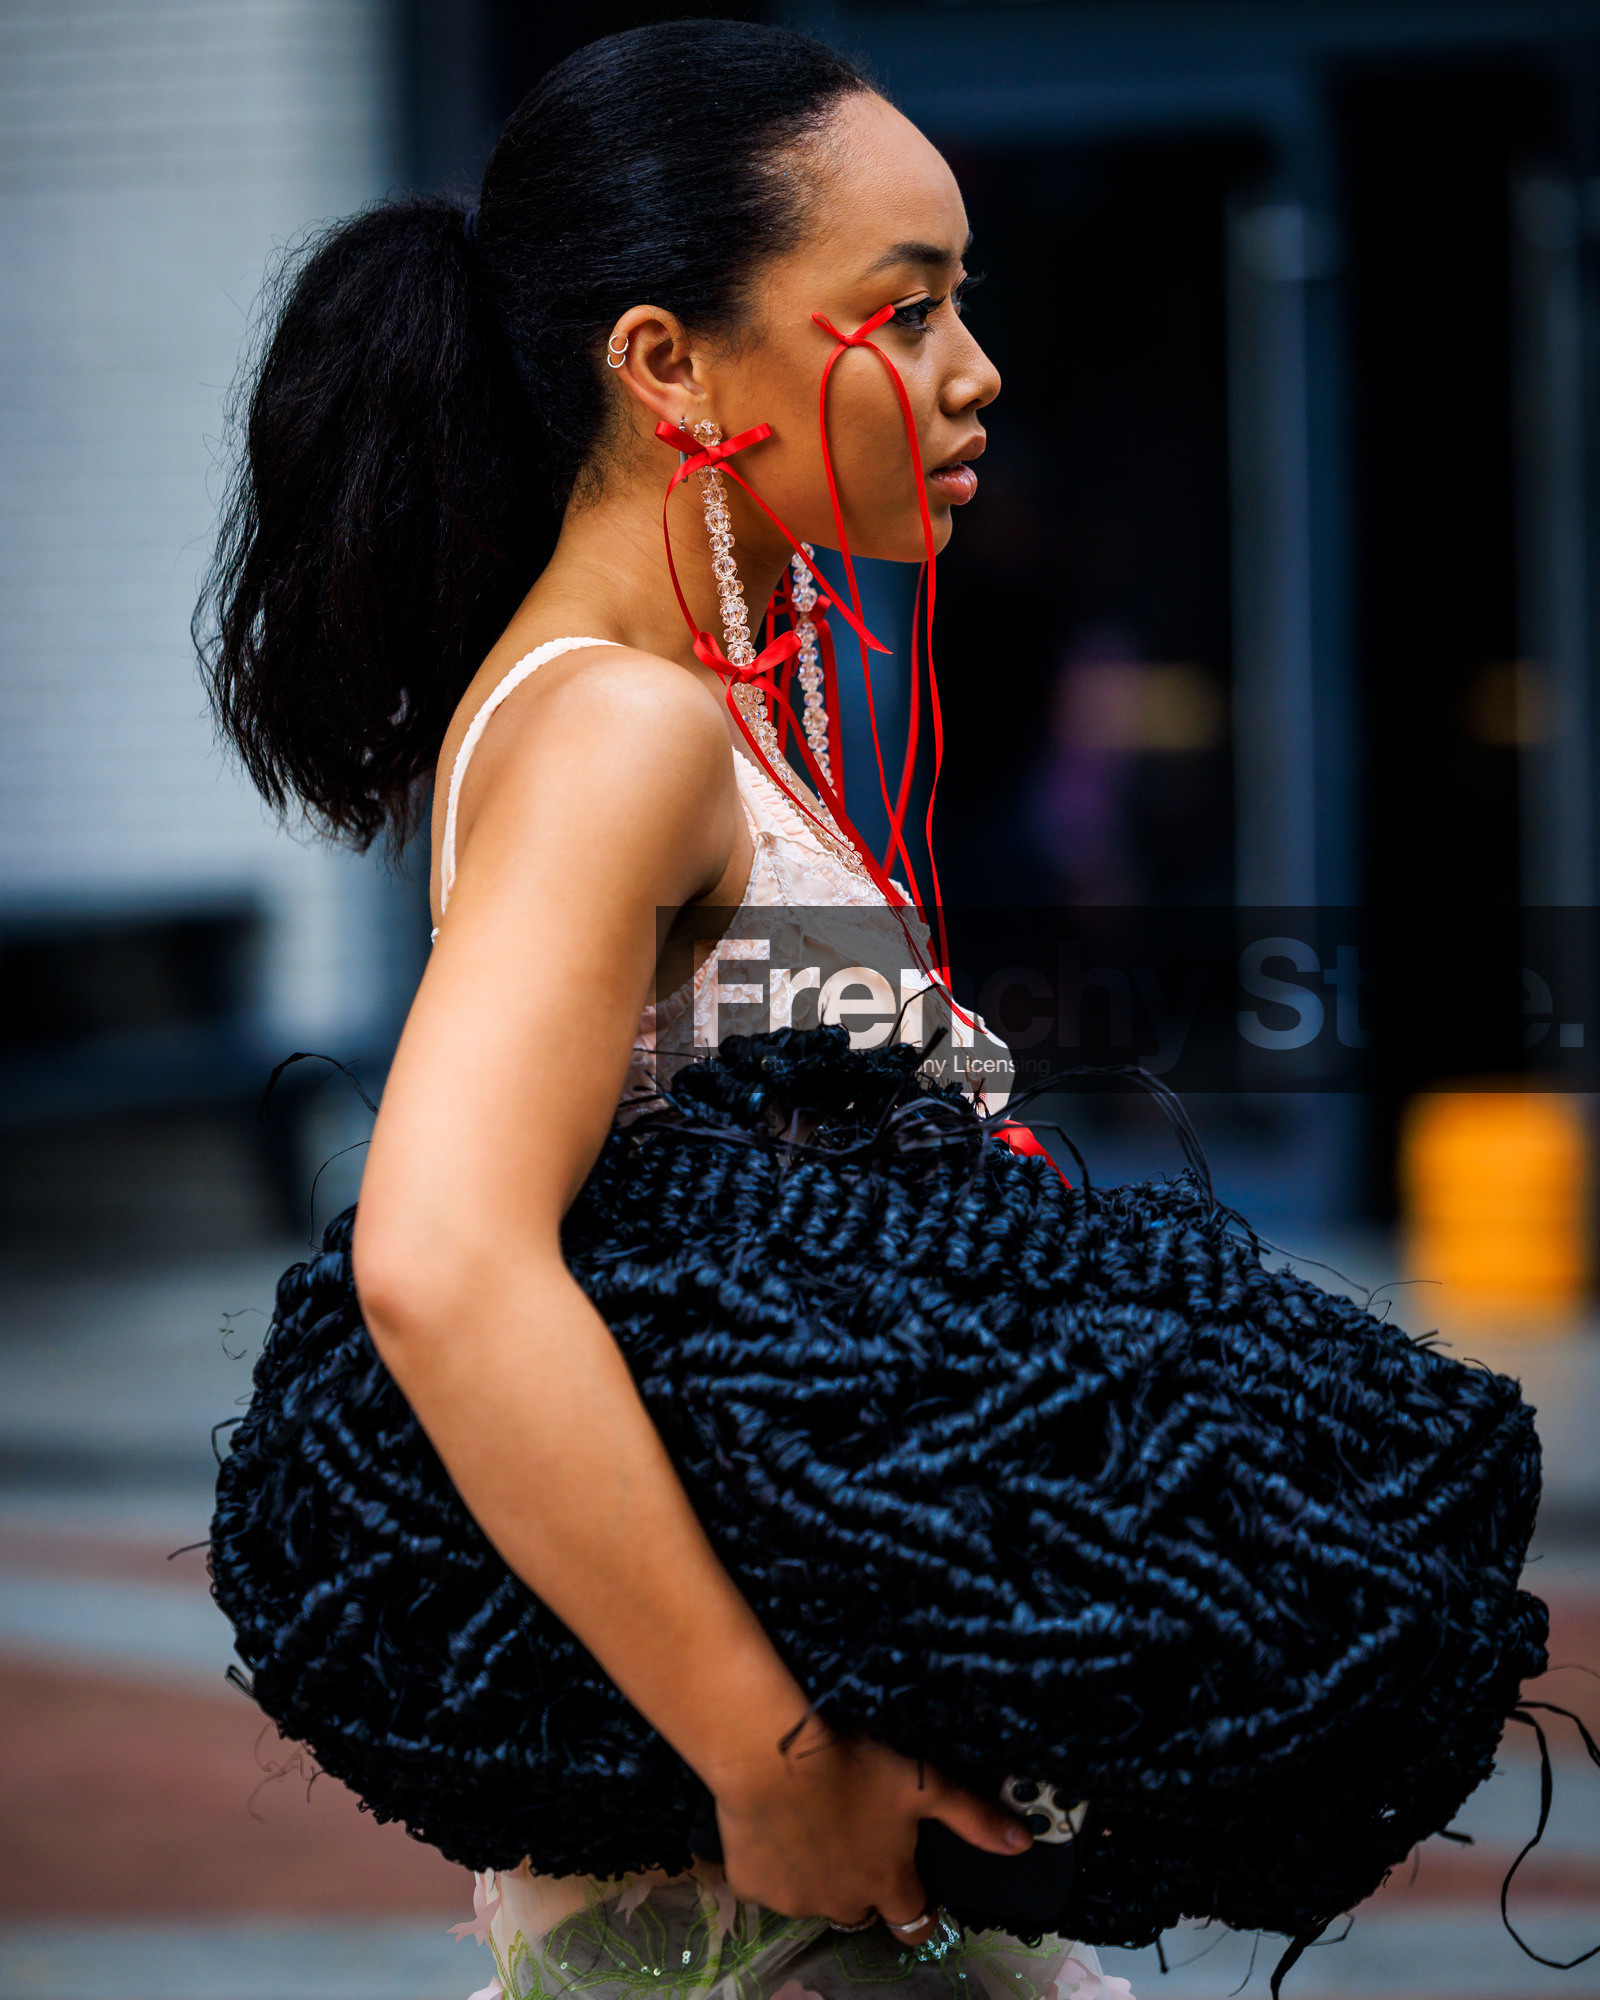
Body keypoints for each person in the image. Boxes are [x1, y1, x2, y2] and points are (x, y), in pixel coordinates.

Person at [199, 20, 1113, 2000]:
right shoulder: (616, 726)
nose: (972, 370)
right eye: (907, 305)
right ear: (663, 361)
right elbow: (441, 1256)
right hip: (751, 1906)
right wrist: (764, 1754)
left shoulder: (657, 712)